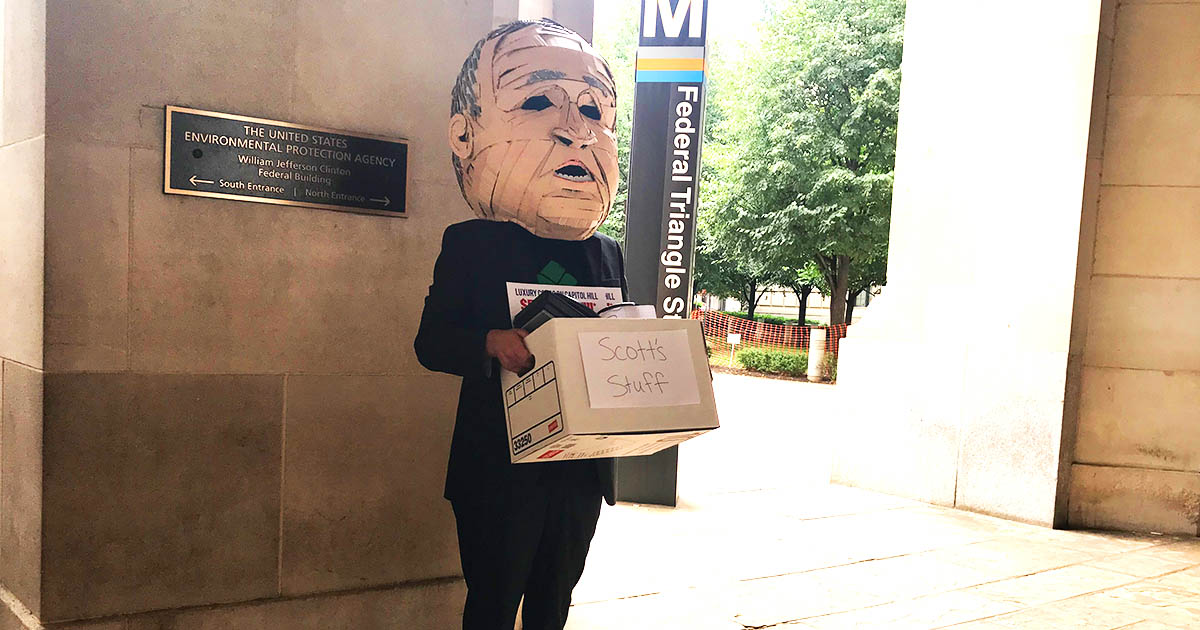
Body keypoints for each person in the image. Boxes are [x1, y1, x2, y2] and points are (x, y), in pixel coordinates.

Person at [414, 19, 625, 630]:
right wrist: (488, 342)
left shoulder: (606, 253)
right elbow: (431, 343)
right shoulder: (470, 245)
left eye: (594, 110)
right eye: (538, 101)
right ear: (465, 134)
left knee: (554, 603)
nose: (577, 131)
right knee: (493, 602)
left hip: (580, 471)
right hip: (498, 470)